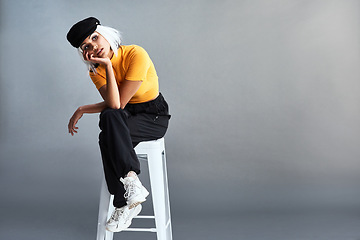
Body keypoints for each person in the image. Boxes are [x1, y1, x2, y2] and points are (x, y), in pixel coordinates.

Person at [66, 17, 170, 232]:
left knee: (107, 134)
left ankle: (123, 203)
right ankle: (131, 183)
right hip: (125, 116)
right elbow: (116, 106)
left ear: (106, 34)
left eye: (95, 38)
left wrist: (83, 108)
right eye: (86, 46)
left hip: (153, 116)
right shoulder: (95, 71)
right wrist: (103, 67)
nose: (93, 46)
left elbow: (118, 103)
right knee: (110, 118)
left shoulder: (135, 54)